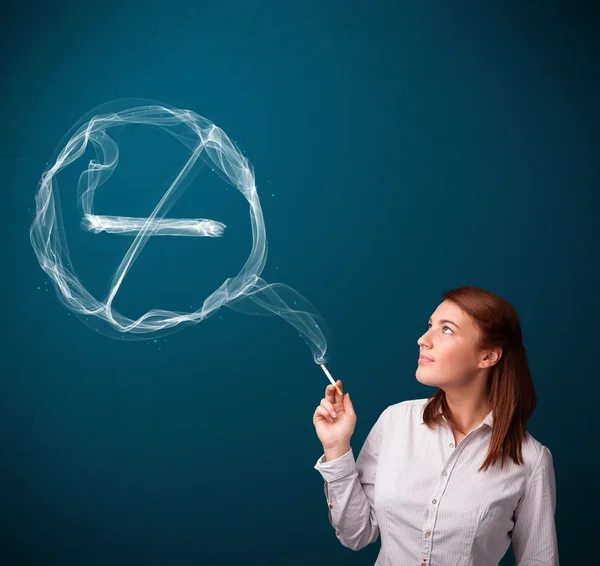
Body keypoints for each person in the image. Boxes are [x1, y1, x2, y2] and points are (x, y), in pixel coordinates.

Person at [313, 286, 558, 565]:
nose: (422, 340)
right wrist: (336, 447)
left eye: (447, 330)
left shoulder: (531, 460)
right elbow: (356, 534)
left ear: (488, 356)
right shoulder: (395, 421)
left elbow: (539, 560)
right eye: (430, 326)